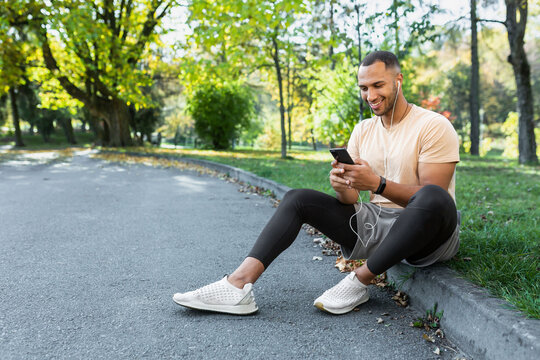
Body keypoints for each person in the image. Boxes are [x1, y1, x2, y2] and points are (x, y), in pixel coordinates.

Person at [173, 50, 460, 315]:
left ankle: (359, 281)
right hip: (377, 225)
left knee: (434, 197)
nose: (370, 95)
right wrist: (343, 185)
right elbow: (350, 201)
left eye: (378, 85)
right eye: (363, 88)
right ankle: (237, 285)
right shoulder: (362, 130)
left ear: (398, 81)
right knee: (298, 199)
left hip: (427, 233)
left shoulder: (432, 125)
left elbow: (431, 196)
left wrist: (377, 184)